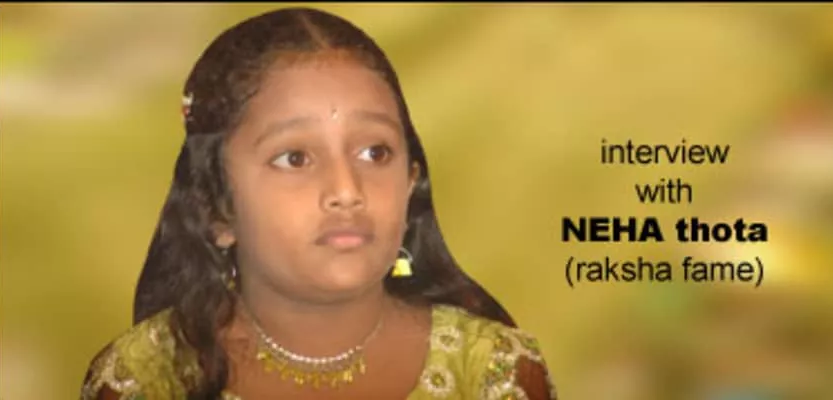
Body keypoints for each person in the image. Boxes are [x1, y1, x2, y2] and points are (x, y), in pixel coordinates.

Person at [80, 7, 556, 400]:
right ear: (216, 209)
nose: (347, 190)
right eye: (295, 158)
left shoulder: (492, 371)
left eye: (375, 153)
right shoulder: (145, 379)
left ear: (410, 185)